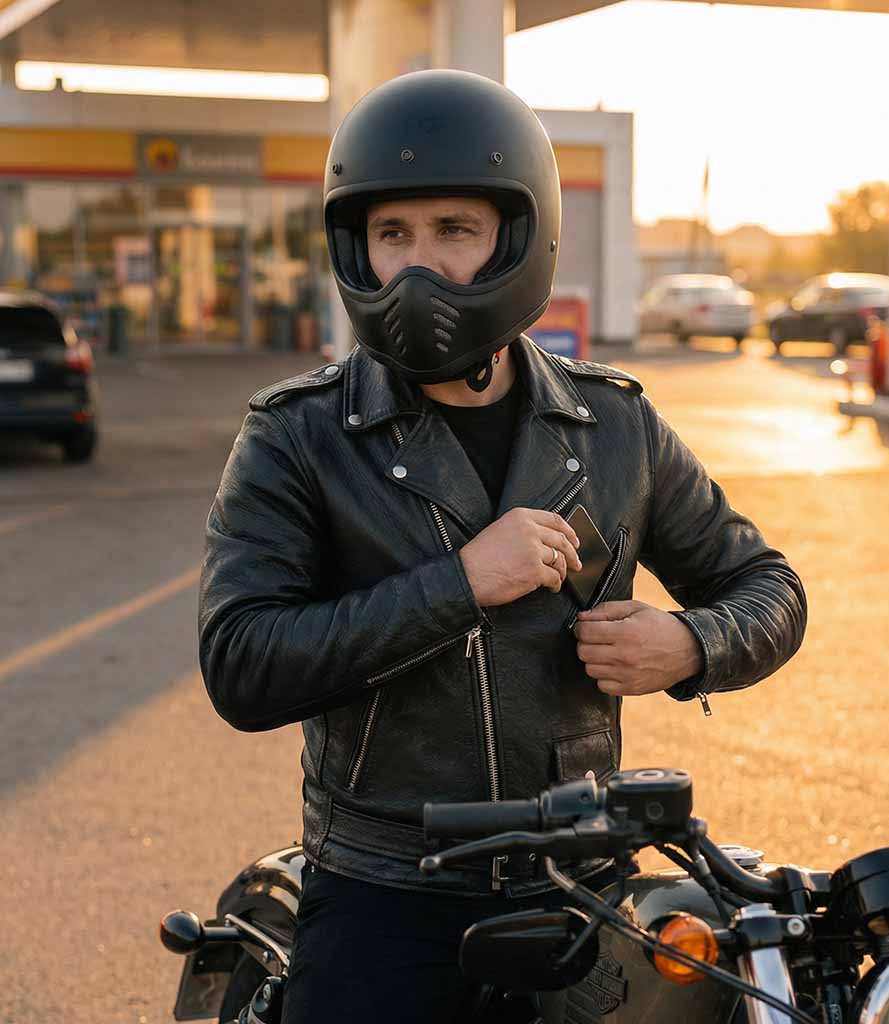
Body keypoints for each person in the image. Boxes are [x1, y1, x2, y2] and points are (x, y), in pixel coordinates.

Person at [199, 69, 807, 1023]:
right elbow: (241, 666)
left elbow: (768, 586)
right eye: (392, 234)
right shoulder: (298, 435)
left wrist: (694, 645)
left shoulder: (613, 426)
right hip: (386, 890)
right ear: (354, 246)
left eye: (453, 231)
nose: (418, 268)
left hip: (584, 884)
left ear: (516, 241)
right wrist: (459, 585)